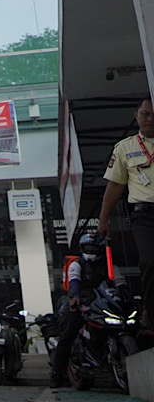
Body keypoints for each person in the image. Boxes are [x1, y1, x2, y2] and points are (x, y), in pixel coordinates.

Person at [98, 97, 154, 329]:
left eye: (153, 115)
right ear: (136, 116)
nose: (149, 119)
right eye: (145, 114)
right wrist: (103, 219)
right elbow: (115, 186)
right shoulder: (125, 148)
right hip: (144, 214)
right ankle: (150, 312)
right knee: (149, 261)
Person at [50, 232, 110, 387]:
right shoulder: (76, 264)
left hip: (102, 304)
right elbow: (74, 280)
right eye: (88, 247)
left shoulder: (108, 264)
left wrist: (125, 296)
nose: (91, 250)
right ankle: (57, 375)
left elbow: (118, 281)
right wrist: (76, 297)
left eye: (94, 248)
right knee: (67, 336)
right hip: (81, 304)